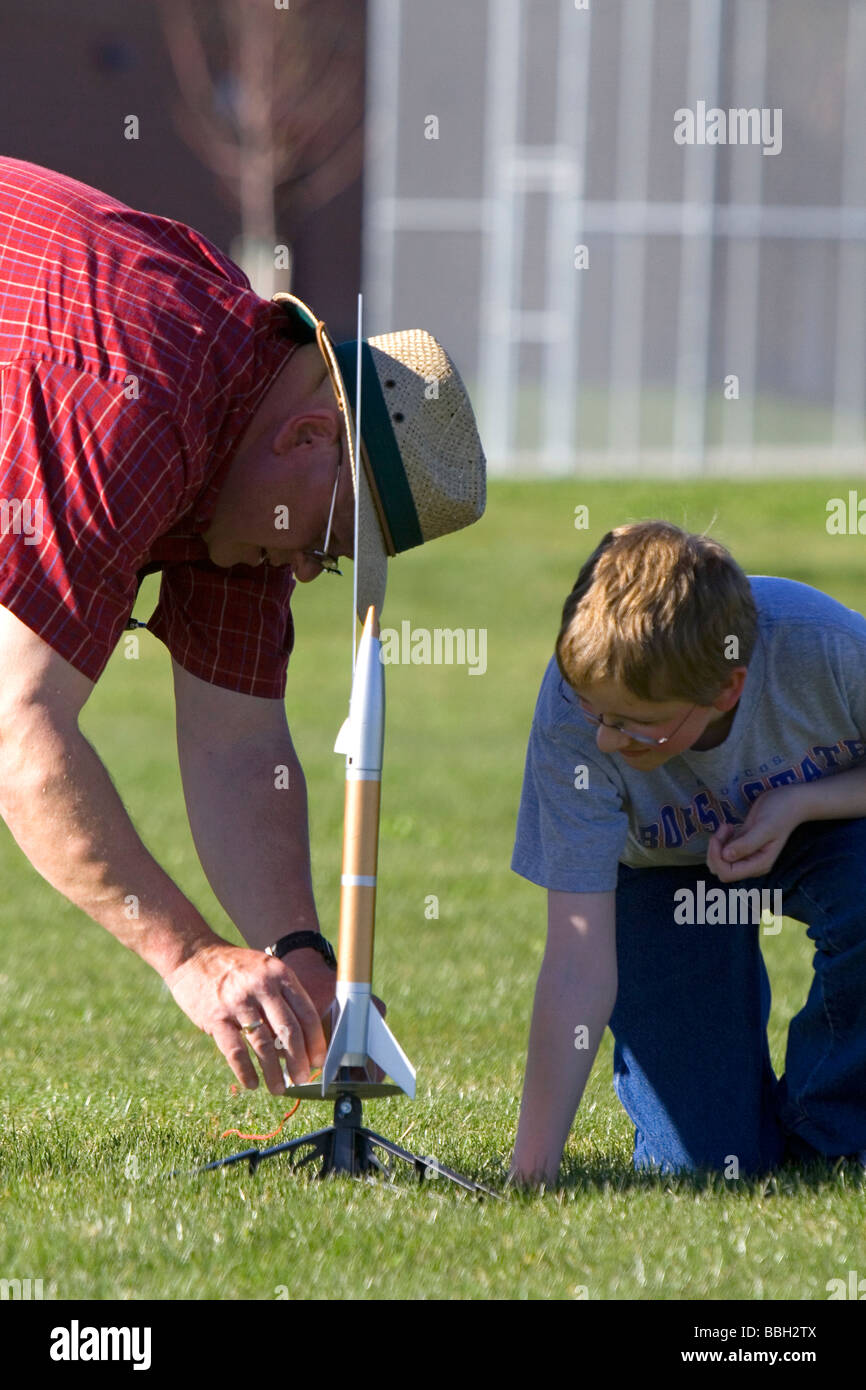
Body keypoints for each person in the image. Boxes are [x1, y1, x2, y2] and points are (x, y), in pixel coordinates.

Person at [0, 156, 485, 1097]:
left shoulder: (251, 472)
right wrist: (189, 958)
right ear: (308, 441)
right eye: (327, 541)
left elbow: (237, 744)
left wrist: (299, 953)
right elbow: (21, 733)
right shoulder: (138, 394)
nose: (306, 569)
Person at [509, 520, 866, 1183]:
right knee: (710, 1166)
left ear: (726, 688)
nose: (609, 743)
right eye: (597, 713)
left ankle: (834, 1129)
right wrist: (532, 1171)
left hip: (828, 835)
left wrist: (802, 803)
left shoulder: (825, 646)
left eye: (636, 723)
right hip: (660, 881)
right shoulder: (570, 718)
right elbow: (576, 961)